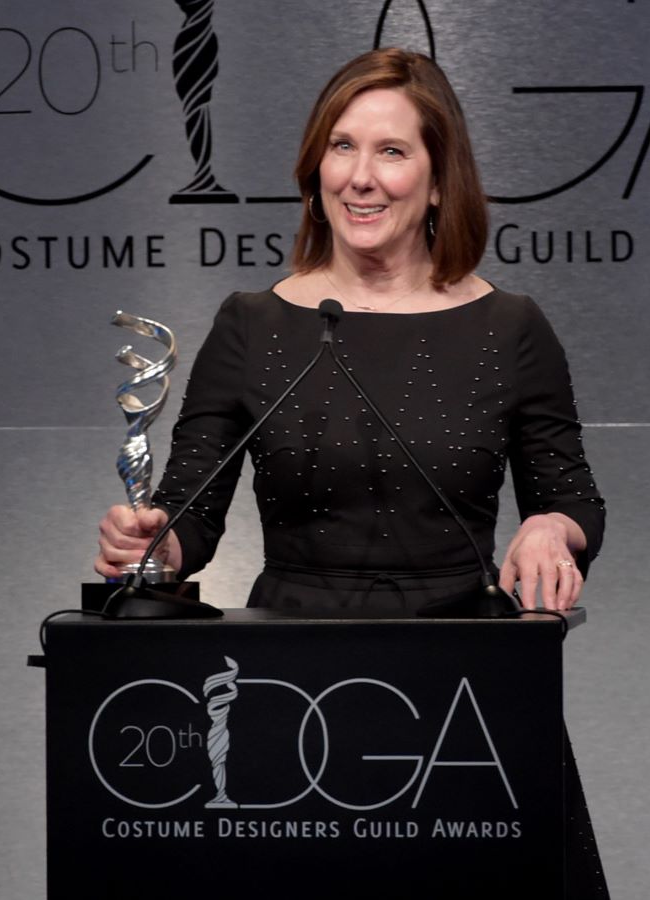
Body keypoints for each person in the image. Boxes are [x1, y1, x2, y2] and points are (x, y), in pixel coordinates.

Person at [95, 48, 609, 896]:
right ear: (314, 169)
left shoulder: (510, 328)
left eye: (392, 152)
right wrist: (154, 540)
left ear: (441, 180)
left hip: (463, 699)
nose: (361, 178)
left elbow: (572, 496)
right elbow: (191, 510)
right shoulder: (253, 324)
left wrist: (555, 527)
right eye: (341, 148)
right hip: (288, 693)